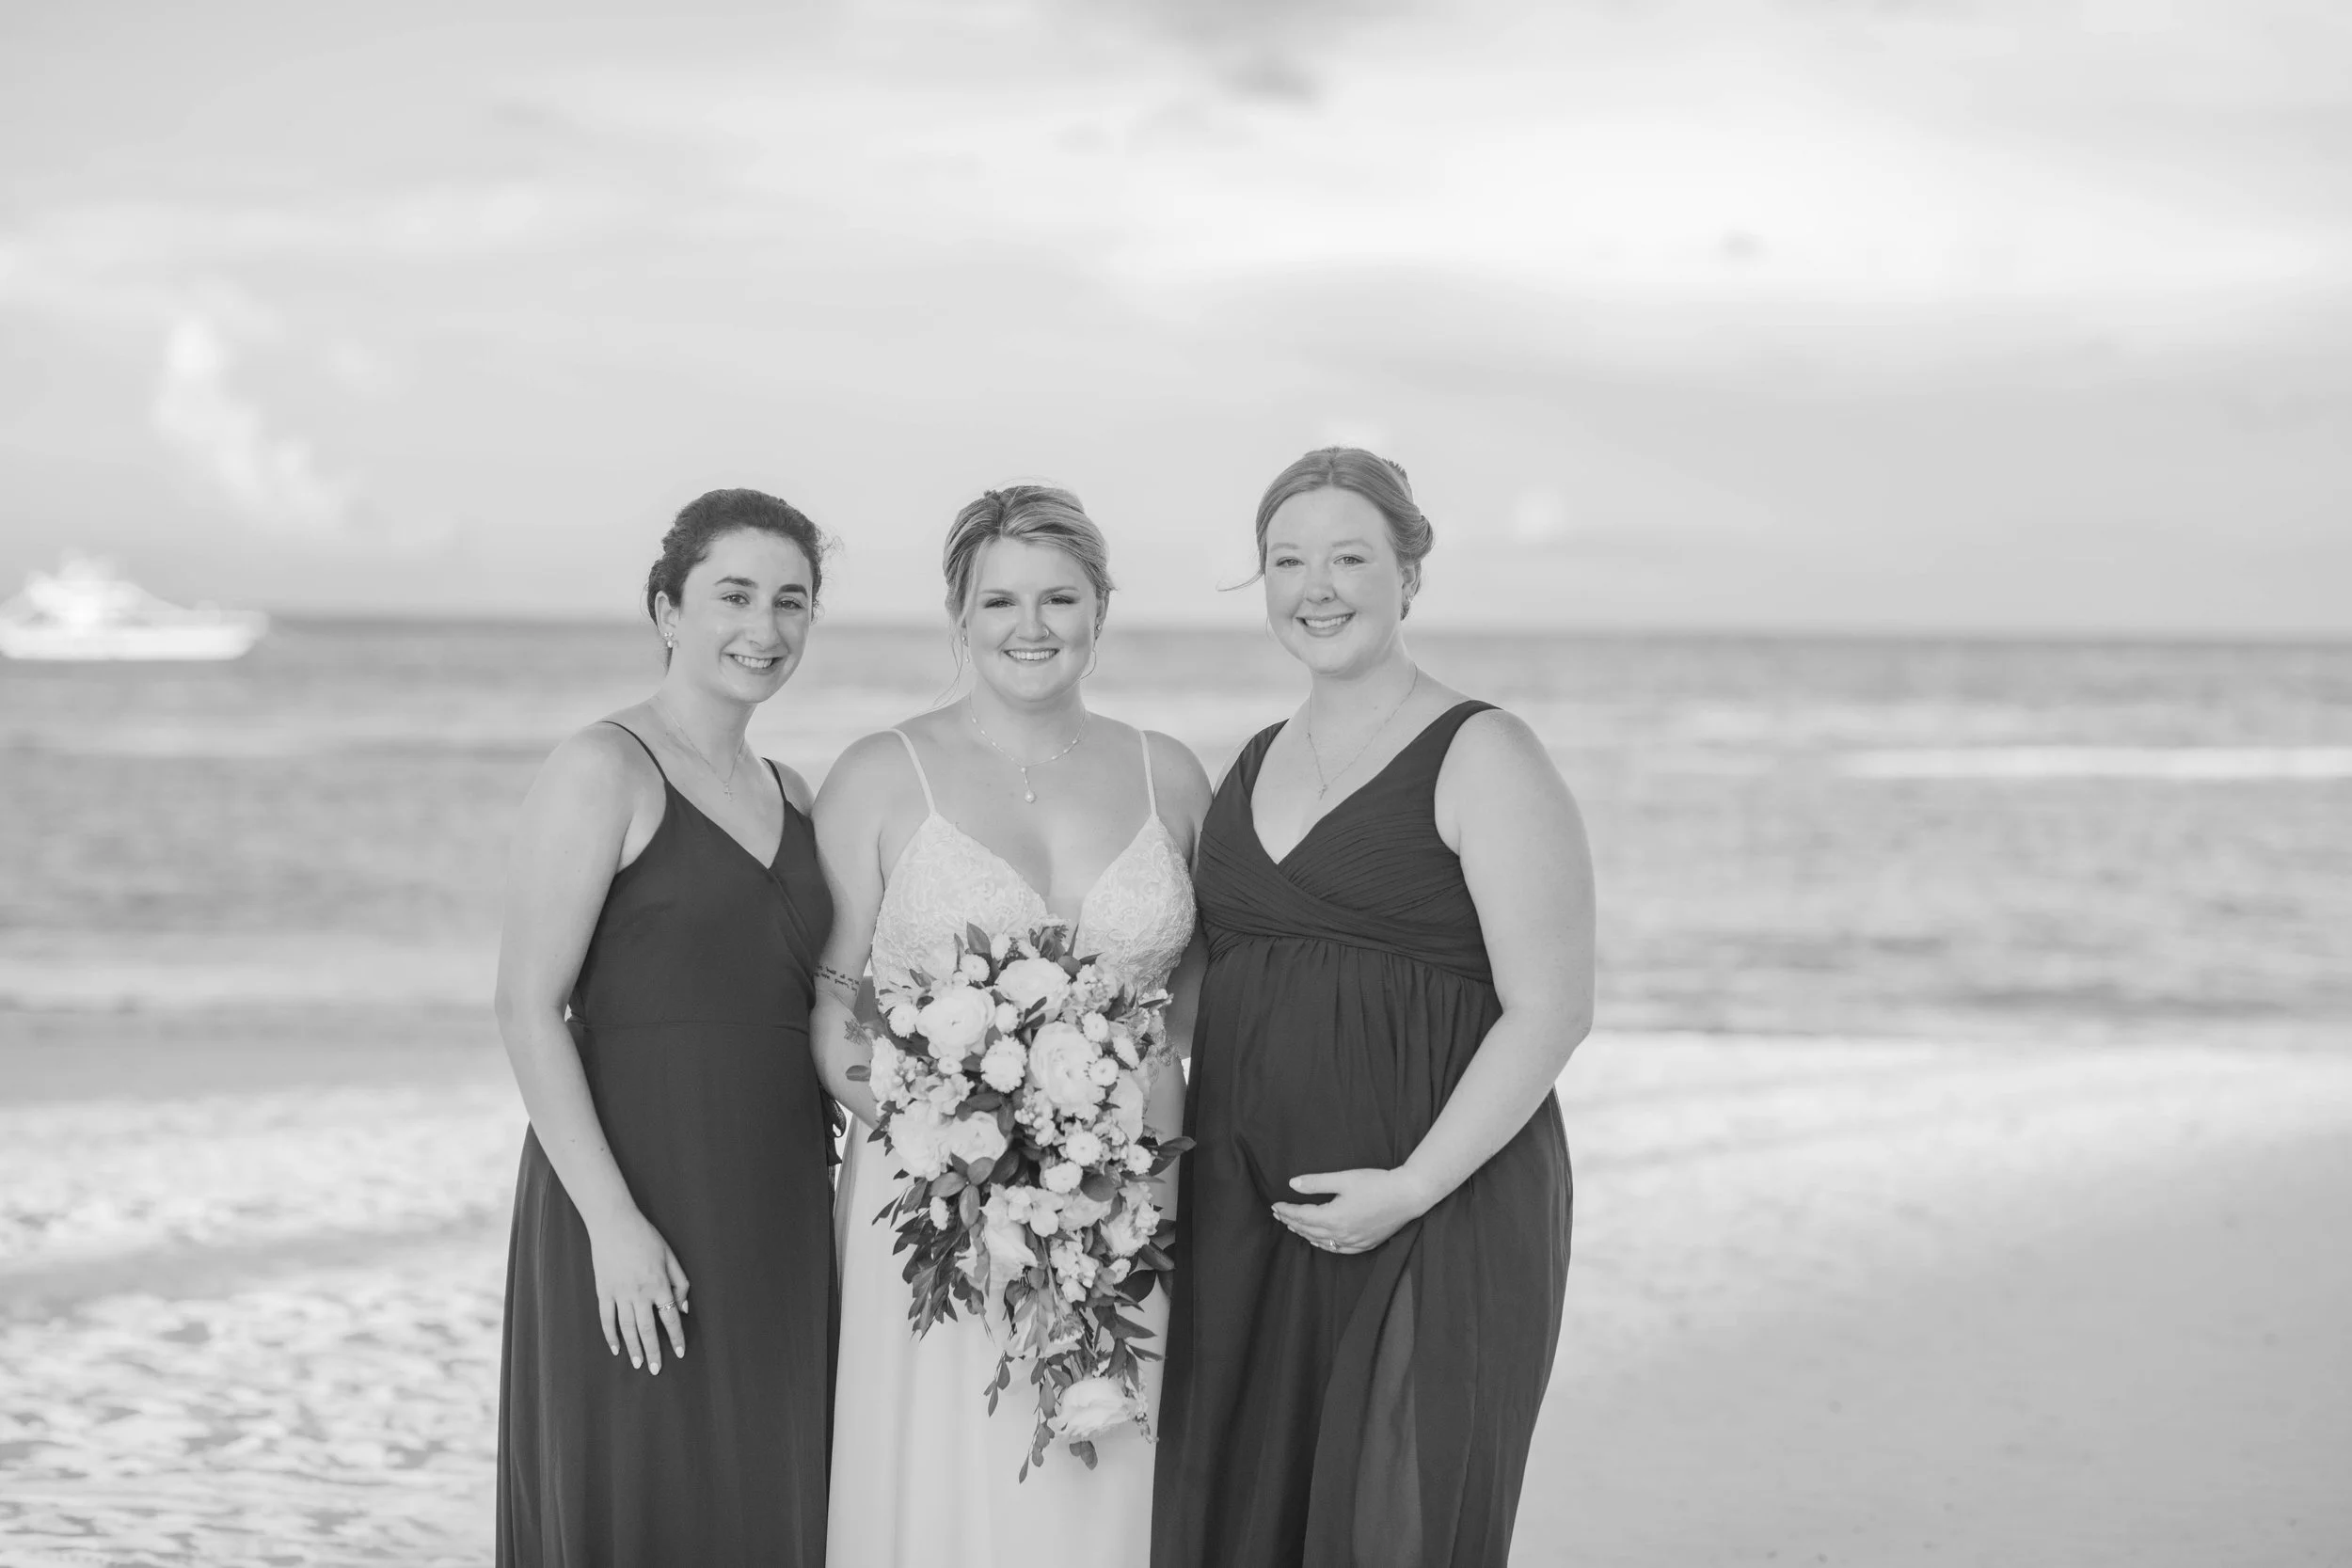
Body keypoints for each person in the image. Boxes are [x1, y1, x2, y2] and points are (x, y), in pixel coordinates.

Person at [1152, 449, 1592, 1568]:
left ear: (1410, 574)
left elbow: (1550, 1009)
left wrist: (1409, 1187)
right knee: (1244, 1523)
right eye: (1287, 560)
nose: (1317, 587)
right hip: (1247, 1212)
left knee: (1393, 1523)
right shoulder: (1250, 763)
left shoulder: (1484, 751)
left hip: (1437, 1205)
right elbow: (1210, 990)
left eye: (1349, 557)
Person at [814, 484, 1212, 1568]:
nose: (1029, 625)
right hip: (933, 1195)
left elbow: (1200, 1004)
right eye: (999, 600)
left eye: (1059, 597)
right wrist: (952, 1140)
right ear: (959, 613)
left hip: (1130, 1193)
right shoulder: (878, 773)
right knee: (950, 1475)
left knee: (1108, 1471)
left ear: (1100, 608)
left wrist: (1107, 1137)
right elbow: (833, 998)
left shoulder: (1170, 775)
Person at [494, 488, 838, 1567]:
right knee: (640, 1484)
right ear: (667, 610)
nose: (764, 626)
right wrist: (613, 1224)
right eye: (733, 594)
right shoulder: (602, 767)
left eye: (790, 600)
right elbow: (526, 1005)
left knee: (770, 1489)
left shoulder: (795, 791)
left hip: (778, 1202)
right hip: (633, 1190)